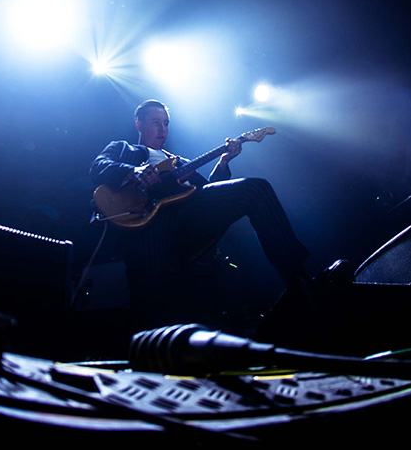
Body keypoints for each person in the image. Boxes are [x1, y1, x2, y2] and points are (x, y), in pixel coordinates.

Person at [89, 99, 311, 323]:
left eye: (166, 123)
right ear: (139, 124)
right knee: (152, 307)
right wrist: (134, 171)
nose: (162, 129)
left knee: (255, 189)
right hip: (150, 225)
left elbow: (208, 192)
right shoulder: (124, 149)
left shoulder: (180, 162)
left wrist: (223, 162)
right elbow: (98, 165)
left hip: (188, 222)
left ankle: (299, 278)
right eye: (156, 122)